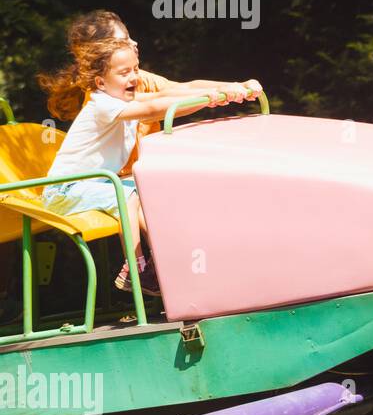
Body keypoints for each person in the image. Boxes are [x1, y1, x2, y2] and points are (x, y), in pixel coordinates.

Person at [37, 40, 251, 295]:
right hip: (63, 191)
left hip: (95, 183)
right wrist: (205, 100)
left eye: (136, 69)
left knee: (151, 193)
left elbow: (166, 96)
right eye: (124, 72)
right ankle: (135, 269)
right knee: (127, 194)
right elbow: (151, 108)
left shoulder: (124, 99)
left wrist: (220, 94)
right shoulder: (102, 104)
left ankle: (177, 259)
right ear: (101, 83)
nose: (134, 77)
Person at [53, 10, 261, 175]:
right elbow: (153, 109)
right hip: (120, 177)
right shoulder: (104, 97)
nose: (134, 43)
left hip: (141, 173)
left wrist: (232, 86)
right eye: (124, 41)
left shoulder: (136, 78)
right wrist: (211, 96)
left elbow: (180, 88)